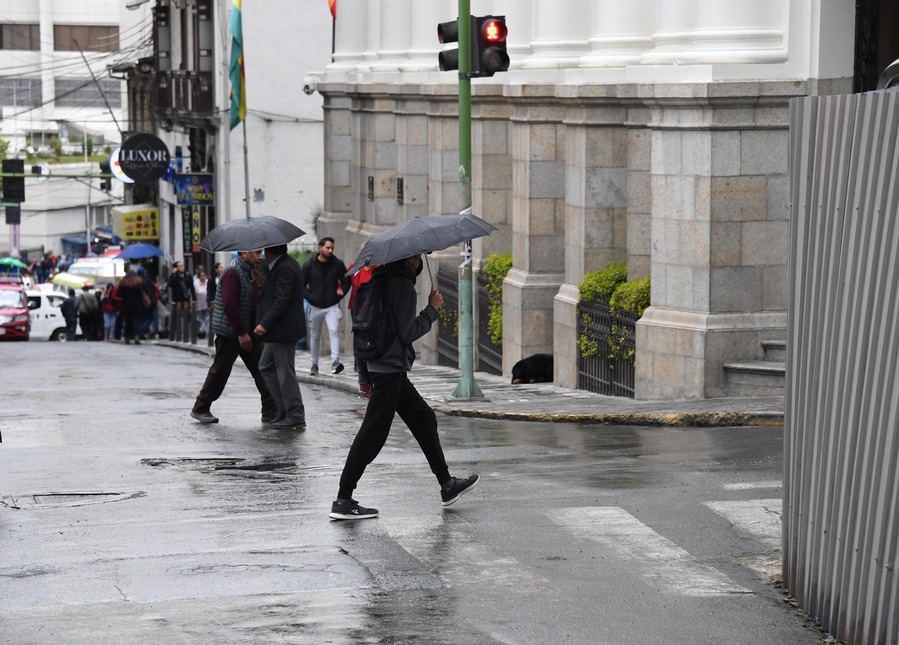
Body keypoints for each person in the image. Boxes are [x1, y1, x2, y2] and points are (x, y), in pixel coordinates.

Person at [329, 254, 479, 521]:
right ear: (410, 259)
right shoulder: (401, 285)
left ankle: (447, 485)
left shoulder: (374, 281)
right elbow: (407, 332)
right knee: (371, 436)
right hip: (390, 370)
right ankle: (343, 499)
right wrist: (432, 309)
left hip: (381, 366)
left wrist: (364, 374)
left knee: (424, 418)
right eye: (419, 257)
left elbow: (361, 329)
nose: (421, 261)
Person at [190, 249, 278, 425]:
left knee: (263, 369)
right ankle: (200, 407)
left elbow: (251, 299)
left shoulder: (249, 272)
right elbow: (230, 306)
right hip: (231, 332)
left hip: (248, 331)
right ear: (244, 253)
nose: (260, 256)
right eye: (256, 253)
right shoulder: (232, 272)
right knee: (220, 371)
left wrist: (258, 283)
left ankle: (270, 411)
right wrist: (241, 333)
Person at [253, 244, 307, 429]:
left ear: (269, 251)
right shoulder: (280, 265)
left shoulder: (285, 267)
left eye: (263, 250)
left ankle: (295, 414)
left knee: (285, 373)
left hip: (283, 330)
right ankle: (283, 409)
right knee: (265, 366)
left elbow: (281, 300)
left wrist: (264, 324)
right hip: (278, 331)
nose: (261, 254)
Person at [302, 237, 350, 376]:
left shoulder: (338, 264)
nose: (330, 250)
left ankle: (335, 361)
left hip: (331, 304)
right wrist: (309, 297)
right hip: (315, 305)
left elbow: (346, 281)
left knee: (334, 330)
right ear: (320, 248)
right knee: (315, 335)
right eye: (327, 248)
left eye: (332, 248)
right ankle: (314, 363)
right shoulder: (309, 265)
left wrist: (340, 294)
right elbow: (301, 284)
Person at [347, 260, 378, 397]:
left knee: (370, 340)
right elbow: (348, 282)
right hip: (357, 307)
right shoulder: (355, 267)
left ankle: (368, 373)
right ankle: (361, 371)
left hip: (372, 308)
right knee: (359, 339)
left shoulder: (377, 268)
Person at [167, 260, 196, 339]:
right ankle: (177, 332)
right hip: (177, 299)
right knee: (177, 316)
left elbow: (191, 287)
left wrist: (194, 297)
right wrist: (173, 274)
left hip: (186, 298)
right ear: (176, 268)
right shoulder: (174, 276)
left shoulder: (187, 275)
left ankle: (186, 332)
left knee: (188, 315)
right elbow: (170, 284)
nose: (182, 267)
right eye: (180, 266)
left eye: (183, 266)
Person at [117, 270, 147, 345]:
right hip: (136, 305)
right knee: (136, 321)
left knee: (128, 322)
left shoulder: (123, 283)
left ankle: (128, 337)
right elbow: (142, 293)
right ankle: (136, 336)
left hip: (126, 305)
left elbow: (120, 294)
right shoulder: (138, 283)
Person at [194, 268, 209, 338]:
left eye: (204, 275)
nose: (203, 277)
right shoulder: (196, 283)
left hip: (206, 304)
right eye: (201, 276)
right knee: (199, 319)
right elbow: (196, 292)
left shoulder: (207, 282)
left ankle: (204, 331)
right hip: (199, 304)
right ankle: (200, 332)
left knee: (206, 318)